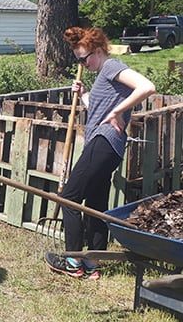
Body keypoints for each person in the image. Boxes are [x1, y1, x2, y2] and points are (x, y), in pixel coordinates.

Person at [44, 27, 156, 280]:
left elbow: (147, 87)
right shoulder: (103, 75)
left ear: (97, 51)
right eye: (78, 61)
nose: (82, 64)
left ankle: (73, 261)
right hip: (109, 147)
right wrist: (84, 94)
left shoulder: (111, 66)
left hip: (104, 141)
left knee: (69, 198)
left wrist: (117, 112)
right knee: (95, 204)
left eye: (84, 59)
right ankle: (93, 263)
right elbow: (98, 109)